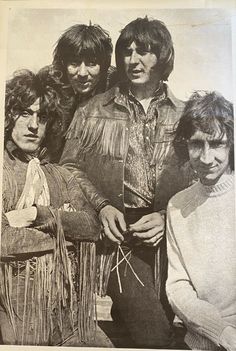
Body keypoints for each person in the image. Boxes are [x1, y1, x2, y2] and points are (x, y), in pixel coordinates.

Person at [60, 16, 193, 348]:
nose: (134, 60)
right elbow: (68, 170)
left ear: (163, 56)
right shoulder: (92, 110)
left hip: (175, 238)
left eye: (145, 51)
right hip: (122, 241)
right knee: (153, 335)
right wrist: (102, 206)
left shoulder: (185, 114)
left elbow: (202, 178)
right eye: (127, 51)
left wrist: (167, 217)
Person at [0, 69, 112, 347]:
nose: (33, 125)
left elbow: (91, 226)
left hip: (69, 311)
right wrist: (67, 236)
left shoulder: (60, 174)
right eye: (25, 113)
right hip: (19, 309)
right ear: (8, 115)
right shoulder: (3, 169)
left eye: (42, 117)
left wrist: (40, 215)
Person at [166, 91, 235, 350]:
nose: (206, 158)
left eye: (216, 144)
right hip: (200, 341)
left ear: (232, 143)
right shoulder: (177, 206)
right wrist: (222, 333)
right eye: (197, 144)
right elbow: (178, 287)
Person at [41, 23, 116, 162]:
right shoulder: (48, 83)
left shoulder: (115, 86)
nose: (82, 73)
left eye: (91, 63)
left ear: (104, 65)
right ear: (63, 64)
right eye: (74, 63)